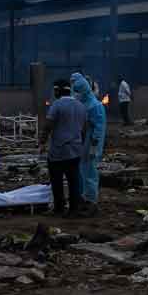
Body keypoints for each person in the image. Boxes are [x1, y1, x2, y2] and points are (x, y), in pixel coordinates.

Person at [39, 79, 87, 216]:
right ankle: (74, 209)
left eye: (55, 90)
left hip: (58, 151)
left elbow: (48, 125)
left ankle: (59, 208)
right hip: (76, 150)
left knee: (57, 181)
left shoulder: (57, 105)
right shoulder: (81, 106)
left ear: (57, 91)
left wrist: (42, 142)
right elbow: (84, 129)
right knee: (74, 181)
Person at [71, 72, 106, 213]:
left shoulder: (95, 105)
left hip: (91, 143)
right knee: (83, 170)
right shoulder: (84, 103)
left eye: (78, 91)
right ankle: (85, 197)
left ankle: (91, 200)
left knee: (90, 170)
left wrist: (93, 146)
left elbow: (98, 127)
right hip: (84, 142)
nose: (76, 94)